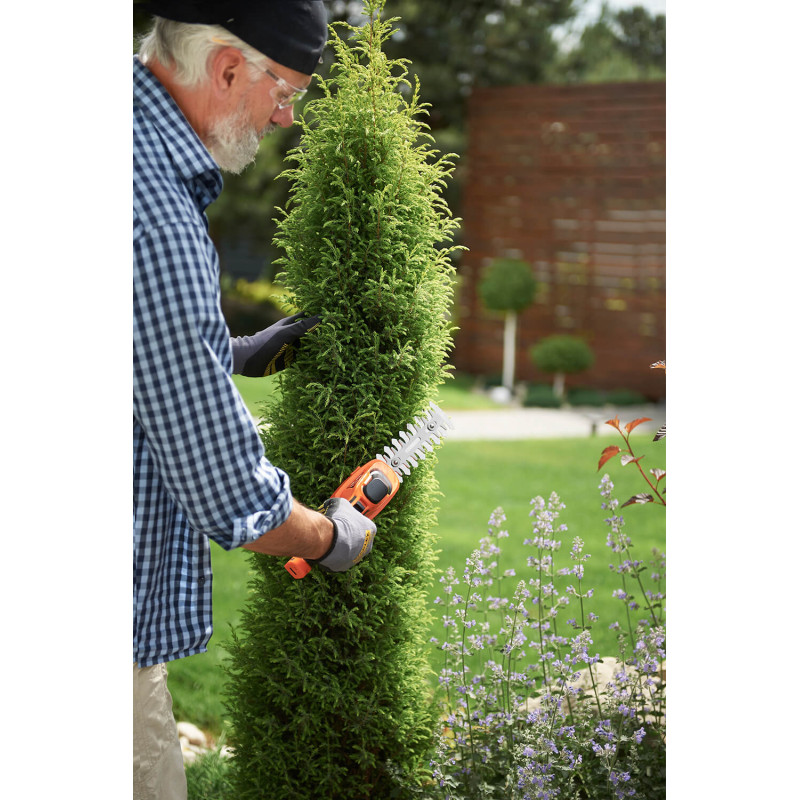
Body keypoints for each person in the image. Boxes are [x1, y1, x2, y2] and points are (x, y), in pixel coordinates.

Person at [133, 3, 377, 798]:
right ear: (229, 67)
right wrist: (330, 536)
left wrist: (227, 354)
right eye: (287, 92)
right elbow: (224, 487)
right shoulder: (155, 211)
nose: (286, 117)